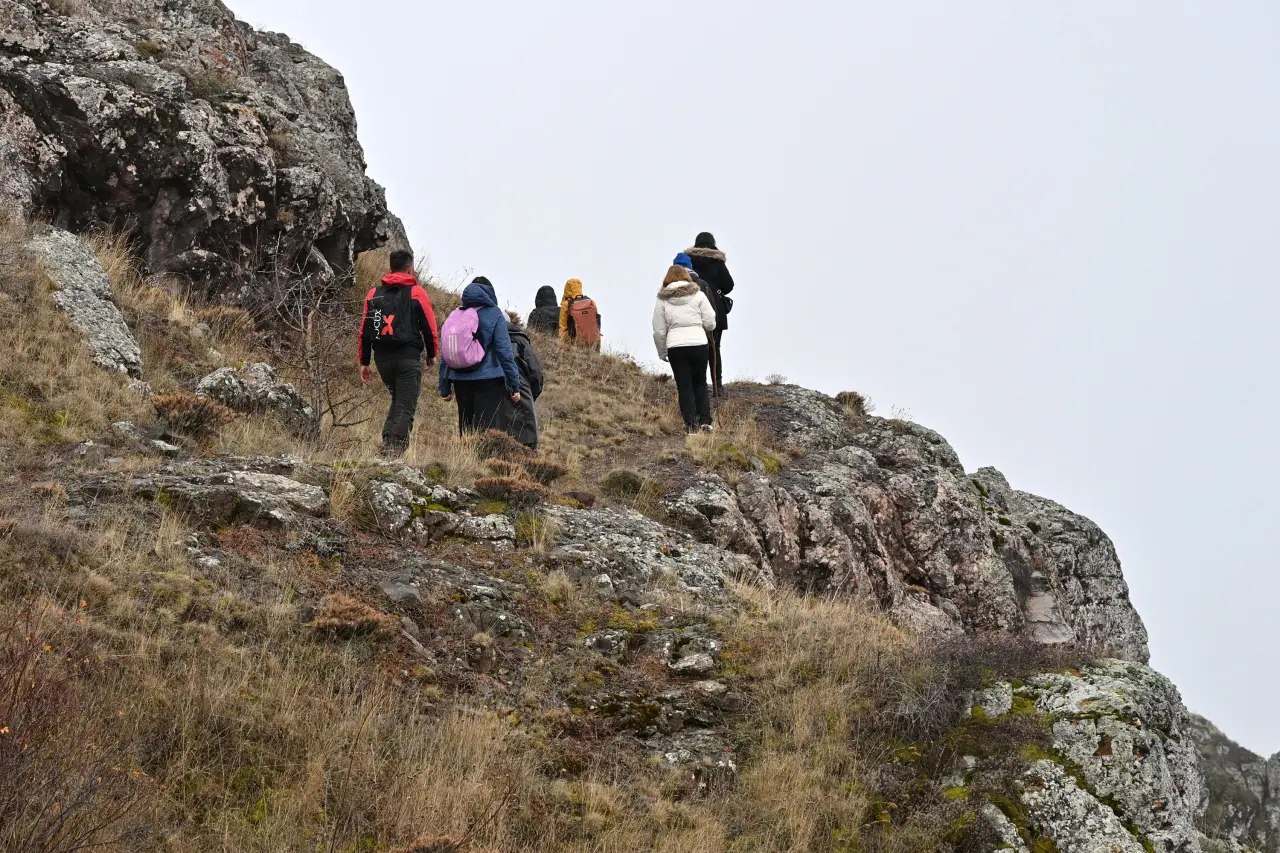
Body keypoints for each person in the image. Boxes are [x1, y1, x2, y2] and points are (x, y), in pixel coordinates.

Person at [358, 248, 439, 456]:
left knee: (398, 400)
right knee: (406, 404)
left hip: (382, 360)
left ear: (389, 269)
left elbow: (365, 331)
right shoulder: (417, 293)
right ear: (410, 269)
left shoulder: (373, 293)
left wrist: (364, 362)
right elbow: (429, 327)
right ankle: (393, 451)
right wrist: (432, 354)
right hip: (408, 358)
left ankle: (387, 442)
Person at [438, 277, 522, 435]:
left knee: (466, 426)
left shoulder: (456, 314)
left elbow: (446, 352)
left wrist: (444, 387)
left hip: (460, 379)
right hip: (489, 381)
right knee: (486, 428)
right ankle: (483, 460)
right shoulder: (495, 313)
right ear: (490, 293)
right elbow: (505, 352)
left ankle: (465, 458)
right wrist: (514, 385)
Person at [652, 263, 717, 432]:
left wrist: (662, 352)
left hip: (676, 347)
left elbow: (659, 330)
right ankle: (706, 422)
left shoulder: (662, 299)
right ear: (686, 277)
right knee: (700, 383)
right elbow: (710, 322)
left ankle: (691, 425)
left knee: (684, 386)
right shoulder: (699, 295)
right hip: (699, 344)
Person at [683, 232, 735, 394]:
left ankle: (698, 385)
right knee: (714, 347)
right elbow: (729, 285)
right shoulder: (717, 261)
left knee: (696, 346)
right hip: (715, 310)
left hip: (693, 308)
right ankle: (717, 385)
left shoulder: (689, 261)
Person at [673, 252, 720, 392]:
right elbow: (711, 312)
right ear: (690, 266)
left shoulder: (668, 288)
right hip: (700, 337)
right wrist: (711, 332)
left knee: (684, 381)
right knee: (700, 380)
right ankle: (704, 410)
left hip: (676, 341)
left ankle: (690, 410)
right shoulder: (702, 285)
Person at [497, 317, 545, 449]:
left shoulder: (486, 339)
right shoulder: (520, 340)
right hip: (522, 401)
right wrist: (531, 395)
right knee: (527, 448)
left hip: (496, 405)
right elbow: (536, 373)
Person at [558, 278, 602, 346]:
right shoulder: (591, 302)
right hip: (593, 341)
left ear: (567, 289)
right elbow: (596, 325)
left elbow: (563, 328)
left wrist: (560, 345)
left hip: (574, 342)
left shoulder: (565, 304)